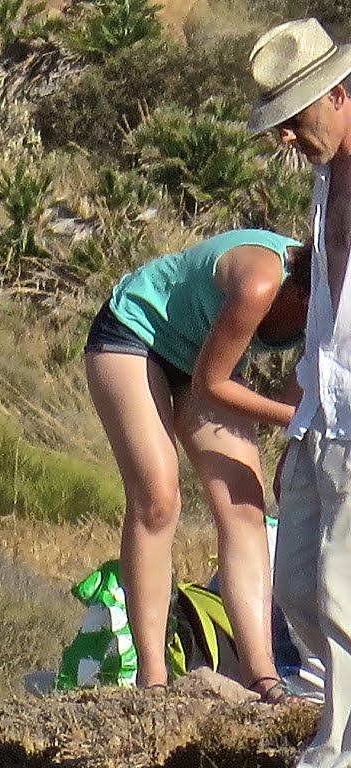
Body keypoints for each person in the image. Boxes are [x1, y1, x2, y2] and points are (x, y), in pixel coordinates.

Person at [84, 229, 310, 699]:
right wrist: (301, 418)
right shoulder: (260, 284)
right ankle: (152, 679)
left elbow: (303, 391)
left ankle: (263, 678)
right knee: (158, 497)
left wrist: (297, 443)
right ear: (309, 286)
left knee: (244, 506)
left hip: (207, 360)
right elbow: (212, 386)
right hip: (136, 336)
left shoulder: (335, 308)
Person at [248, 16, 351, 766]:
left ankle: (336, 746)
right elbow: (323, 310)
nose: (286, 137)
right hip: (326, 410)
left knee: (341, 589)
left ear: (339, 94)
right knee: (297, 587)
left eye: (295, 118)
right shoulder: (325, 180)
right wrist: (299, 418)